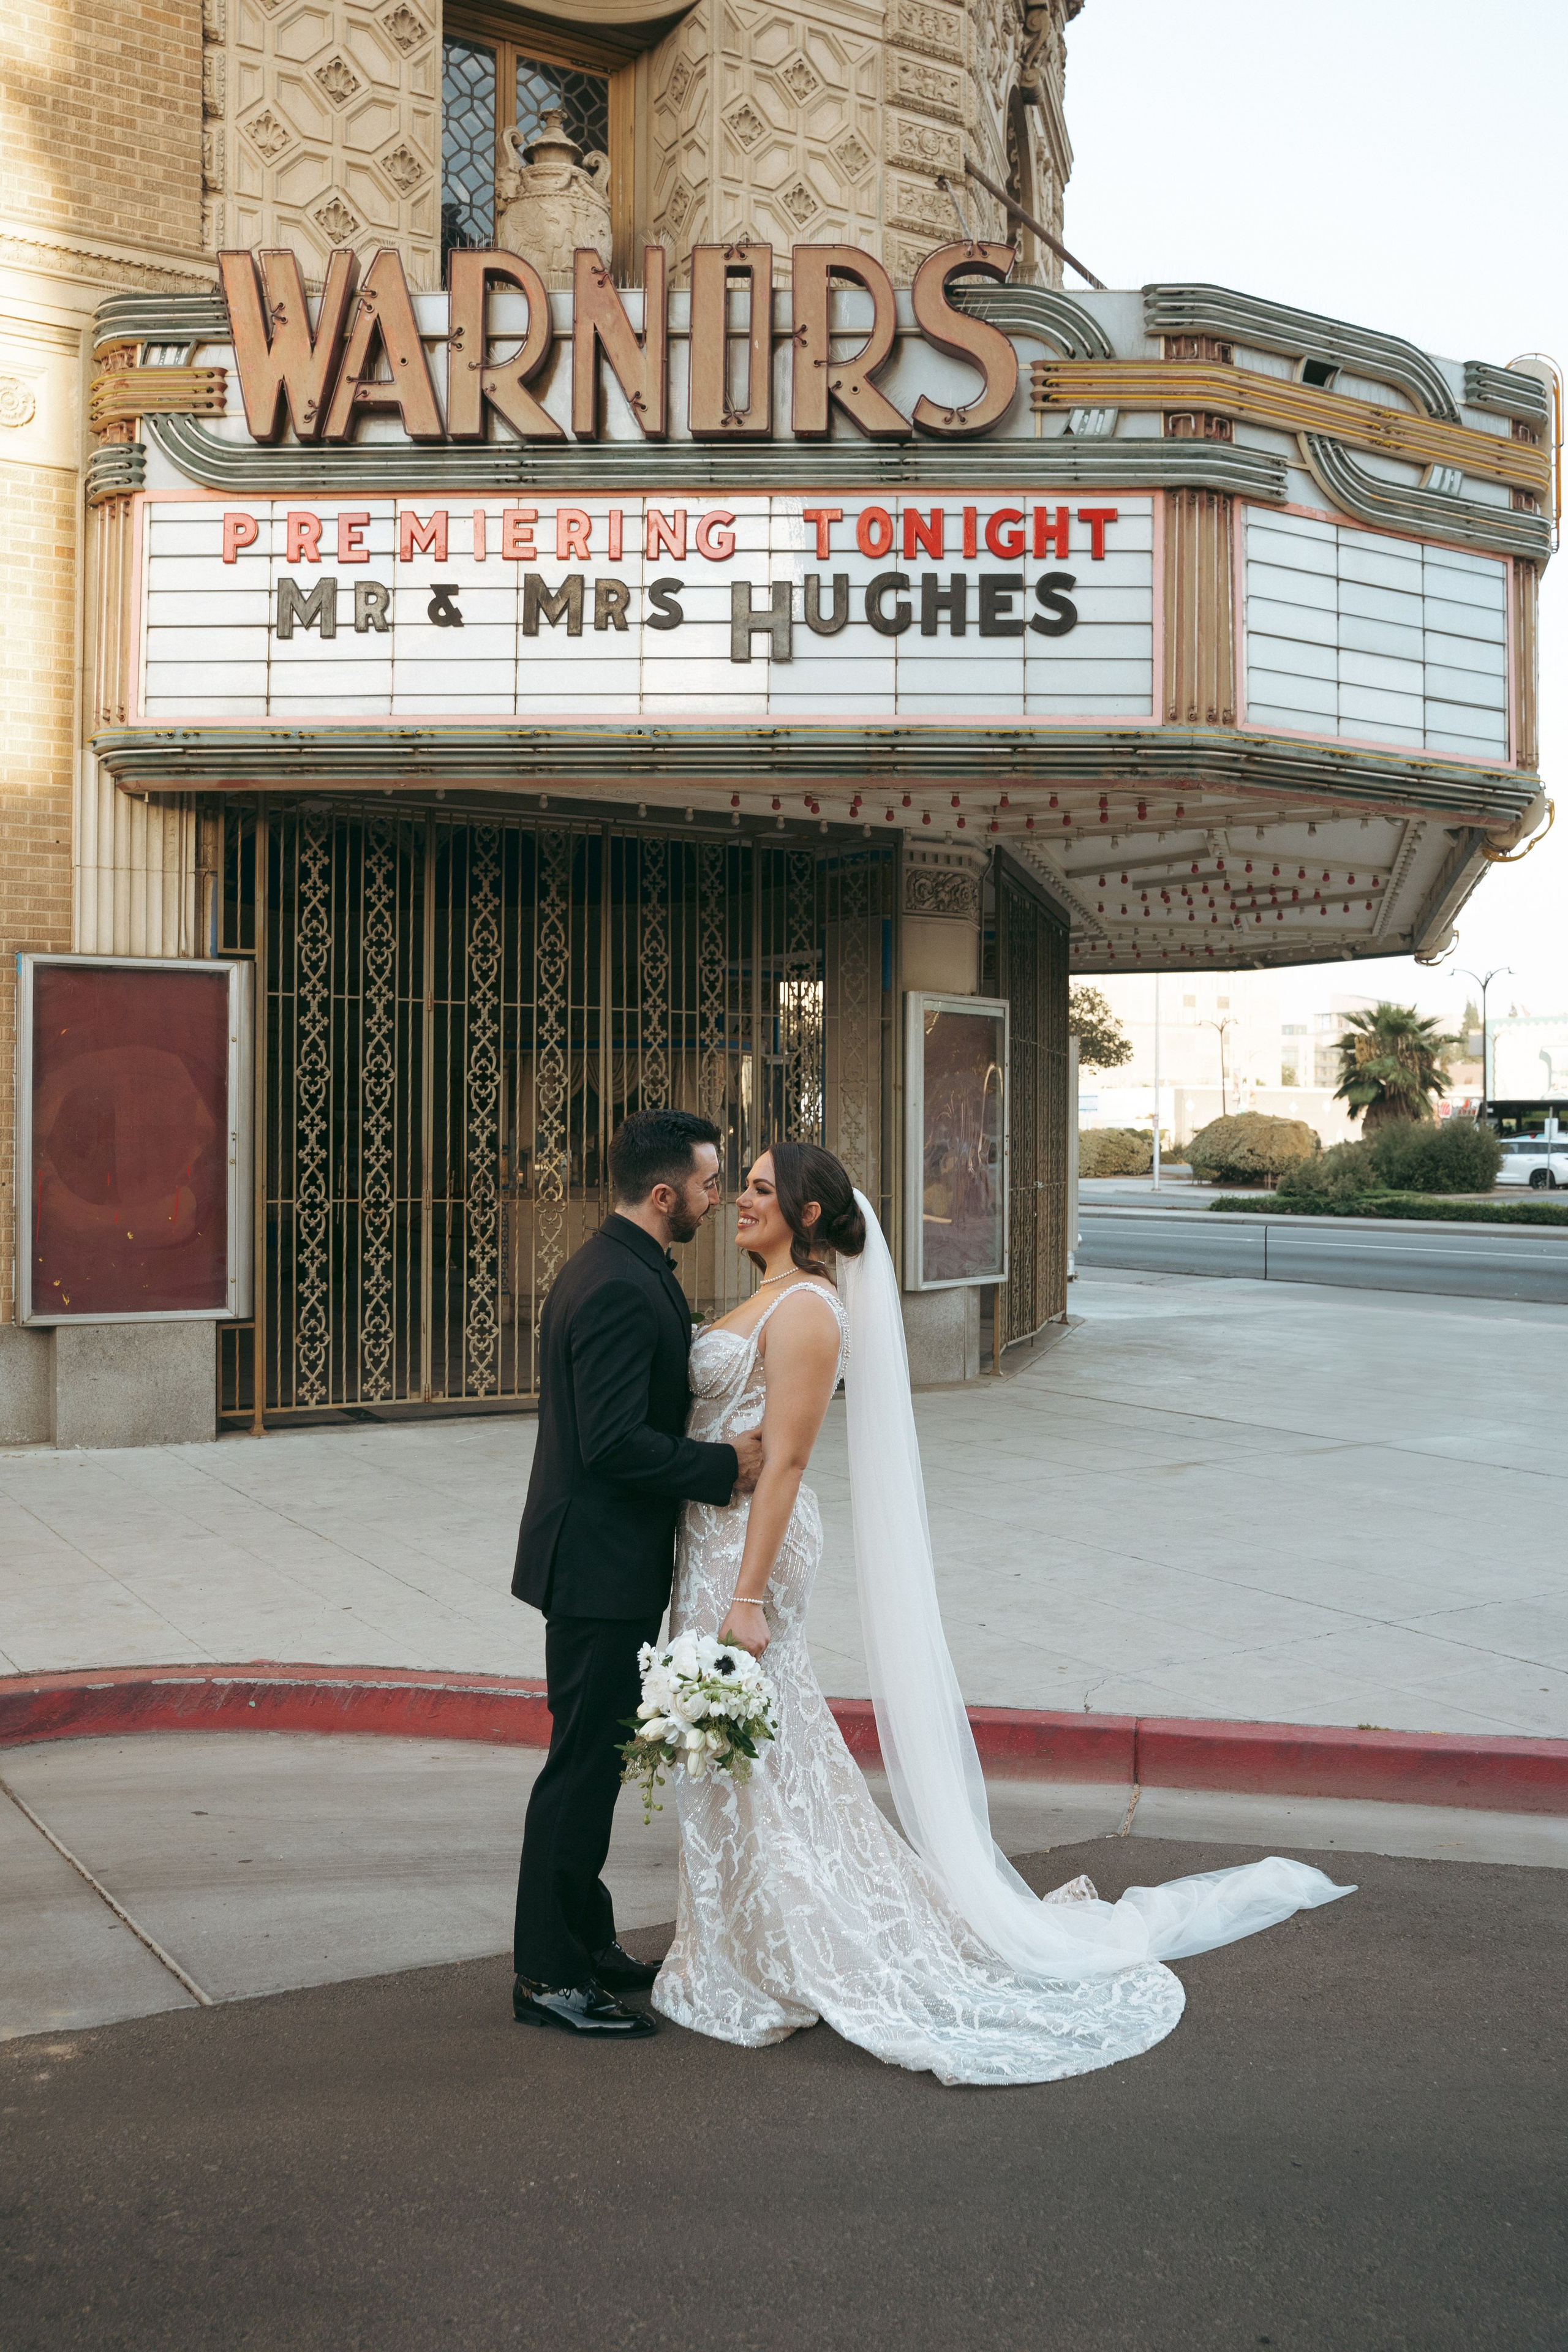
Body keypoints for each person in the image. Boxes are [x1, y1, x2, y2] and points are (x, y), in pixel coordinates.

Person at [652, 1139, 1352, 2086]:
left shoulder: (811, 1309)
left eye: (762, 1189)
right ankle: (741, 1942)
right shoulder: (762, 1295)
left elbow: (785, 1461)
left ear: (809, 1214)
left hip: (751, 1552)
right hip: (712, 1541)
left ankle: (790, 1952)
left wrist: (745, 1597)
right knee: (744, 1754)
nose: (740, 1198)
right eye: (741, 1185)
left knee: (760, 1748)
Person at [510, 1109, 764, 2038]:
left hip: (604, 1563)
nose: (718, 1195)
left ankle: (587, 1940)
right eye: (707, 1183)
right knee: (579, 1771)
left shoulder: (622, 1264)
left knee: (595, 1763)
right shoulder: (617, 1284)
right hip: (595, 1567)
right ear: (665, 1195)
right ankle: (546, 1975)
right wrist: (719, 1468)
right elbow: (613, 1441)